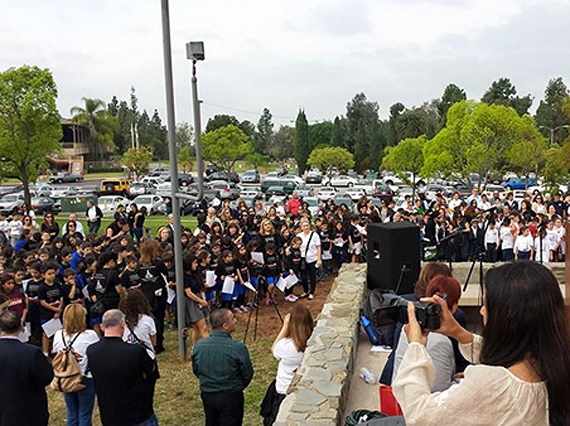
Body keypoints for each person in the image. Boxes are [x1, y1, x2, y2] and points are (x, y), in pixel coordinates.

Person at [394, 261, 570, 425]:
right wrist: (458, 332)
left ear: (507, 316)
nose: (482, 310)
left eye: (487, 304)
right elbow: (508, 356)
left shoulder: (492, 385)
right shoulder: (551, 361)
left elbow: (420, 415)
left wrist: (416, 346)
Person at [87, 309, 158, 426]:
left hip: (109, 414)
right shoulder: (135, 351)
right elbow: (152, 374)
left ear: (102, 326)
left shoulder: (92, 351)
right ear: (122, 324)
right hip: (138, 413)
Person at [392, 276, 462, 392]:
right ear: (454, 306)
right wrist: (460, 382)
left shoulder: (407, 328)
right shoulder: (440, 342)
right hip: (417, 402)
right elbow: (439, 391)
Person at [192, 308, 254, 426]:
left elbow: (196, 369)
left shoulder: (199, 346)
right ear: (225, 325)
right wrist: (236, 386)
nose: (235, 321)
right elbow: (247, 374)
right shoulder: (237, 348)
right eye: (233, 318)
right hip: (231, 396)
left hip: (208, 395)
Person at [261, 306, 314, 425]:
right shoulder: (312, 341)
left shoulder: (287, 346)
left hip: (284, 389)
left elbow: (274, 349)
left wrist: (285, 327)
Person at [0, 310, 54, 426]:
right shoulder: (31, 353)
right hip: (29, 413)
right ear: (21, 327)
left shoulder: (32, 352)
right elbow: (47, 378)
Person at [52, 304, 99, 426]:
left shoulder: (58, 335)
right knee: (84, 413)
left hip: (66, 377)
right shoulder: (90, 335)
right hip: (85, 377)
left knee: (72, 412)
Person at [297, 219, 322, 300]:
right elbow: (295, 244)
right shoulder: (299, 235)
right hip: (302, 259)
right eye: (304, 226)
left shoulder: (315, 235)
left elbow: (318, 247)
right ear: (301, 227)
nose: (306, 227)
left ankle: (311, 292)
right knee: (303, 277)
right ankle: (305, 290)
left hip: (312, 258)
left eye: (307, 225)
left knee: (312, 276)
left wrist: (319, 259)